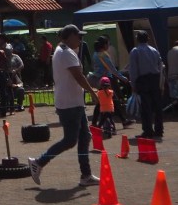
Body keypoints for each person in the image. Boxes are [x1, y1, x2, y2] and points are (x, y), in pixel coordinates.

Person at [29, 25, 99, 188]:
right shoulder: (66, 53)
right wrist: (93, 93)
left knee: (84, 137)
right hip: (70, 104)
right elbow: (78, 76)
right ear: (68, 37)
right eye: (78, 36)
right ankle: (39, 162)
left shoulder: (64, 51)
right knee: (70, 140)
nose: (80, 40)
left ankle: (86, 175)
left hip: (74, 102)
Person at [127, 30, 165, 140]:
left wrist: (133, 84)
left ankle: (148, 130)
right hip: (155, 79)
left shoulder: (135, 51)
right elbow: (160, 66)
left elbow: (133, 69)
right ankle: (159, 130)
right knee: (157, 106)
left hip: (143, 80)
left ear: (137, 39)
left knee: (146, 106)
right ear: (147, 39)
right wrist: (161, 83)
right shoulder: (154, 51)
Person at [90, 37, 131, 127]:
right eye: (108, 44)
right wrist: (123, 78)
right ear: (104, 45)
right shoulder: (103, 55)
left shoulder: (95, 54)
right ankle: (123, 120)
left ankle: (123, 120)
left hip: (100, 80)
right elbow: (113, 70)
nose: (109, 45)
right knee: (112, 100)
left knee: (109, 101)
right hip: (106, 81)